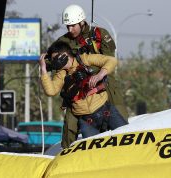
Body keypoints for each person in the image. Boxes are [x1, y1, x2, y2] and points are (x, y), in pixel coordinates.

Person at [55, 4, 129, 148]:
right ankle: (67, 157)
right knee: (70, 127)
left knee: (121, 123)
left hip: (104, 84)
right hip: (77, 90)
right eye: (67, 26)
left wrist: (86, 66)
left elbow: (108, 61)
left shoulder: (100, 34)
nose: (70, 29)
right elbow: (53, 60)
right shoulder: (63, 42)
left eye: (73, 26)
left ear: (82, 22)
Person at [39, 41, 127, 138]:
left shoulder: (84, 59)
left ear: (64, 55)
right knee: (91, 151)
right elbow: (51, 91)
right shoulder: (61, 74)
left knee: (127, 136)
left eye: (55, 58)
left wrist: (100, 75)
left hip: (105, 110)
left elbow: (112, 60)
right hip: (86, 120)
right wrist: (43, 69)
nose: (54, 62)